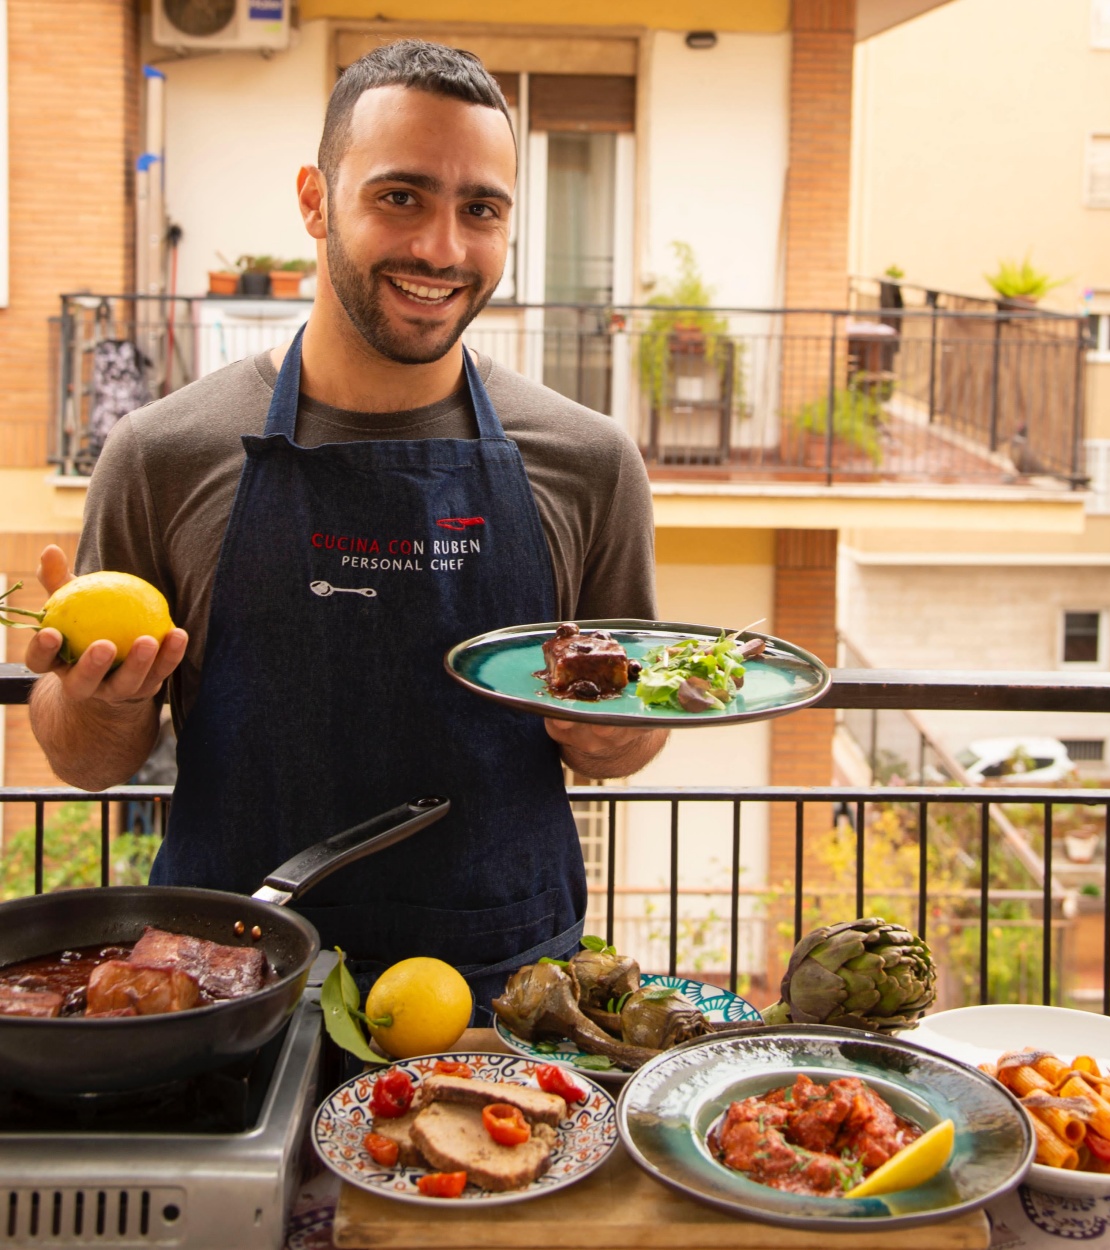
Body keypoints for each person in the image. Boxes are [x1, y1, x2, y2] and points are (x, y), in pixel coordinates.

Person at [26, 39, 668, 1018]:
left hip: (506, 1003)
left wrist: (614, 737)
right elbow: (87, 759)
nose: (443, 249)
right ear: (316, 200)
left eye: (481, 209)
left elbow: (622, 735)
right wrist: (102, 702)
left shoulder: (589, 461)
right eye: (400, 196)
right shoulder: (162, 453)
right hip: (222, 996)